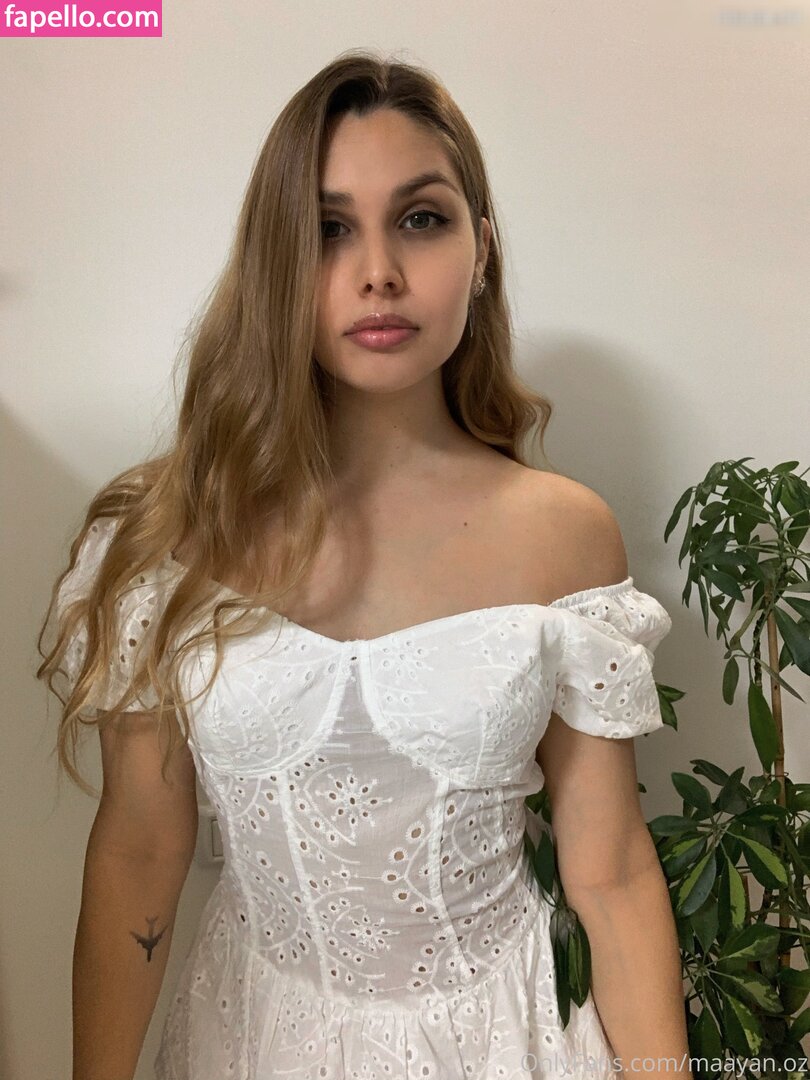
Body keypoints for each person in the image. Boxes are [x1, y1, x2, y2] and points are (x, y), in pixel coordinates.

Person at [38, 49, 692, 1080]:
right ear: (276, 260)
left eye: (421, 219)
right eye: (328, 229)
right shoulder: (165, 538)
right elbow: (138, 854)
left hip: (507, 1042)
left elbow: (608, 873)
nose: (378, 269)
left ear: (482, 250)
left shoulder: (563, 535)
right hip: (251, 1040)